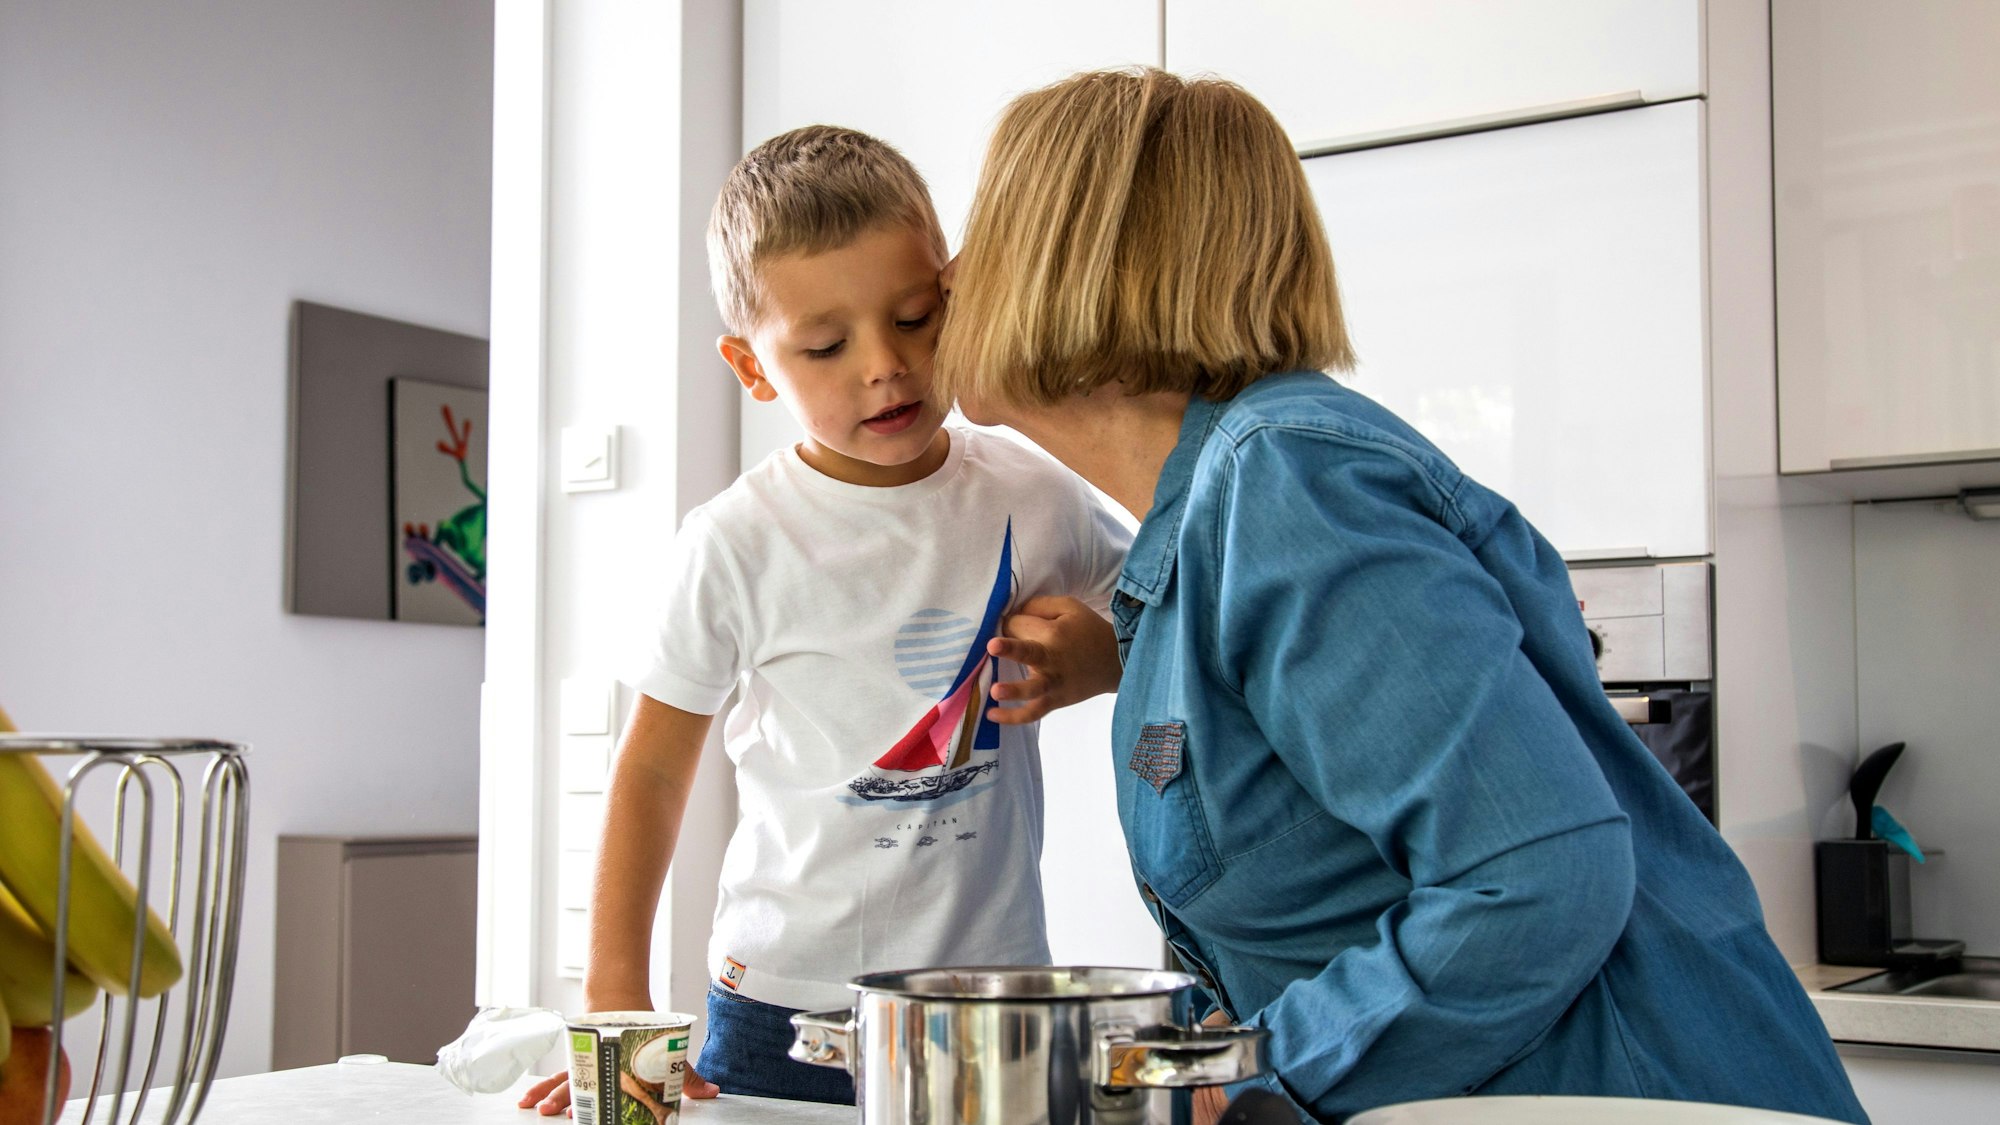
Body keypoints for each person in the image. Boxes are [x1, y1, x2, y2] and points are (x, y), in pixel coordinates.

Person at [931, 68, 1870, 1125]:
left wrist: (1247, 1076)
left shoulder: (1286, 485)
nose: (950, 273)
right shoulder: (1206, 526)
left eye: (985, 228)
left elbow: (1536, 878)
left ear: (1079, 258)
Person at [519, 125, 1129, 1114]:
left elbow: (1178, 610)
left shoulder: (1036, 492)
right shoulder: (734, 542)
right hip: (780, 1011)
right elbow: (653, 772)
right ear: (752, 366)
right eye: (826, 346)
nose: (886, 366)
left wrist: (1106, 659)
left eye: (916, 318)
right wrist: (615, 1000)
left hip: (993, 1003)